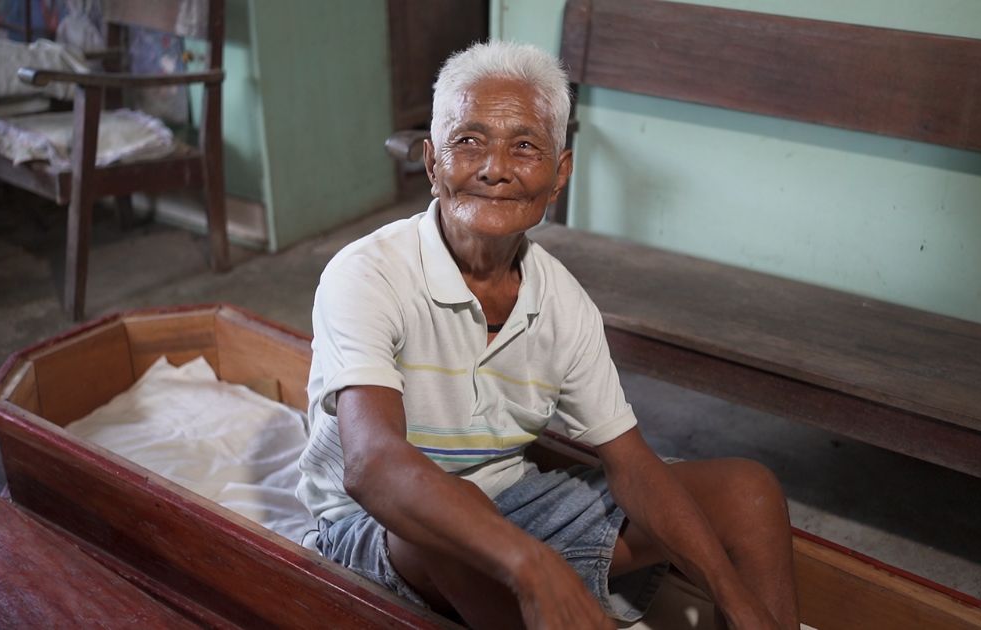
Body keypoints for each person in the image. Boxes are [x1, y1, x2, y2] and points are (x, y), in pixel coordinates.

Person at [298, 40, 798, 629]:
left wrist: (733, 596)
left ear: (559, 174)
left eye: (526, 146)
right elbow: (372, 466)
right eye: (469, 141)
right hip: (380, 529)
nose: (495, 168)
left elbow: (630, 464)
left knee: (748, 491)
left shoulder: (561, 301)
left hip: (513, 505)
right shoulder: (368, 273)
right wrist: (533, 567)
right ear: (433, 163)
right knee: (447, 513)